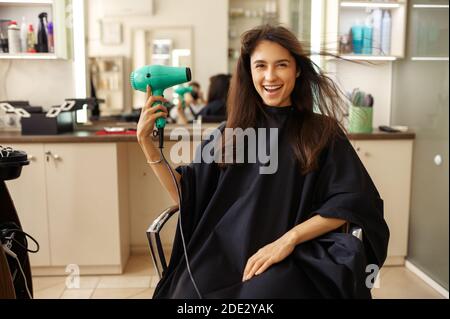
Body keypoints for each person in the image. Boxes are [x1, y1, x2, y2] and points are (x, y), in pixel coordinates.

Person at [137, 24, 389, 298]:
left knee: (261, 296)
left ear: (297, 69)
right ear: (249, 72)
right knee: (186, 295)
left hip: (295, 253)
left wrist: (288, 240)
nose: (270, 76)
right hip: (223, 251)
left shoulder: (322, 132)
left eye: (281, 65)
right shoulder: (227, 135)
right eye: (260, 66)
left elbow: (352, 203)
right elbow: (187, 195)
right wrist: (149, 146)